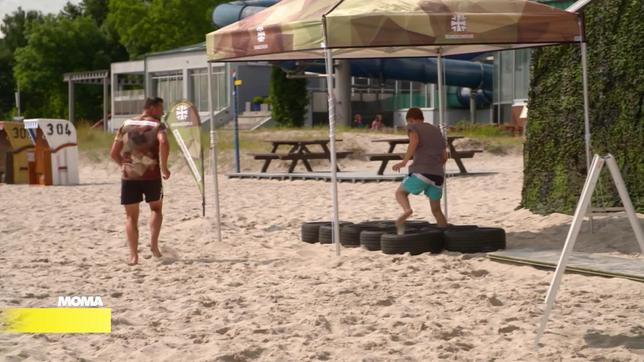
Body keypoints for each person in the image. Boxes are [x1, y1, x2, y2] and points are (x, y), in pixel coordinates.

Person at [110, 97, 171, 265]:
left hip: (129, 176)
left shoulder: (125, 124)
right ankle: (153, 246)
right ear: (151, 108)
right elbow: (164, 142)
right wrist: (164, 167)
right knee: (156, 209)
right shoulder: (158, 125)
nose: (163, 112)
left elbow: (113, 153)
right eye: (160, 109)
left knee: (130, 217)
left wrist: (124, 165)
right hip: (151, 175)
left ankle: (133, 256)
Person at [392, 107, 448, 234]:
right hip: (438, 176)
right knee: (437, 210)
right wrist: (435, 167)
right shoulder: (437, 131)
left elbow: (414, 141)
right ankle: (445, 236)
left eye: (408, 122)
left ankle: (407, 210)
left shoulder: (413, 127)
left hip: (421, 172)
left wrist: (404, 161)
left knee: (400, 193)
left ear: (411, 120)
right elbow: (444, 157)